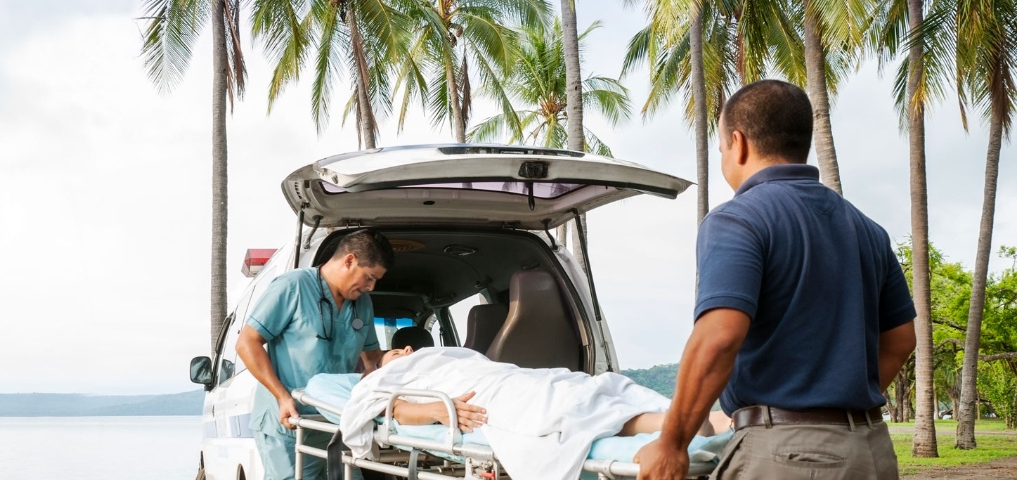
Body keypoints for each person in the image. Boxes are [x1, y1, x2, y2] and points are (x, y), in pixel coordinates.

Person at [634, 80, 917, 480]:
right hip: (869, 450)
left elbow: (719, 337)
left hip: (790, 457)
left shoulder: (738, 219)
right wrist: (835, 406)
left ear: (739, 142)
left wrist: (671, 443)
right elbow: (901, 340)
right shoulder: (867, 229)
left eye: (721, 150)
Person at [342, 347, 728, 480]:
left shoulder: (441, 354)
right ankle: (674, 420)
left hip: (501, 377)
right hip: (483, 395)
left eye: (396, 353)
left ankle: (675, 419)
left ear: (409, 348)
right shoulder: (386, 381)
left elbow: (480, 366)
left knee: (573, 388)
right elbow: (396, 413)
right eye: (385, 360)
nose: (396, 358)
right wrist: (442, 412)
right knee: (554, 409)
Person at [236, 228, 396, 480]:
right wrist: (281, 397)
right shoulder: (293, 286)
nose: (371, 287)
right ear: (349, 260)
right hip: (290, 423)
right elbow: (247, 343)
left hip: (335, 423)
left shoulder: (362, 304)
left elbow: (372, 360)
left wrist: (400, 363)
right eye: (369, 277)